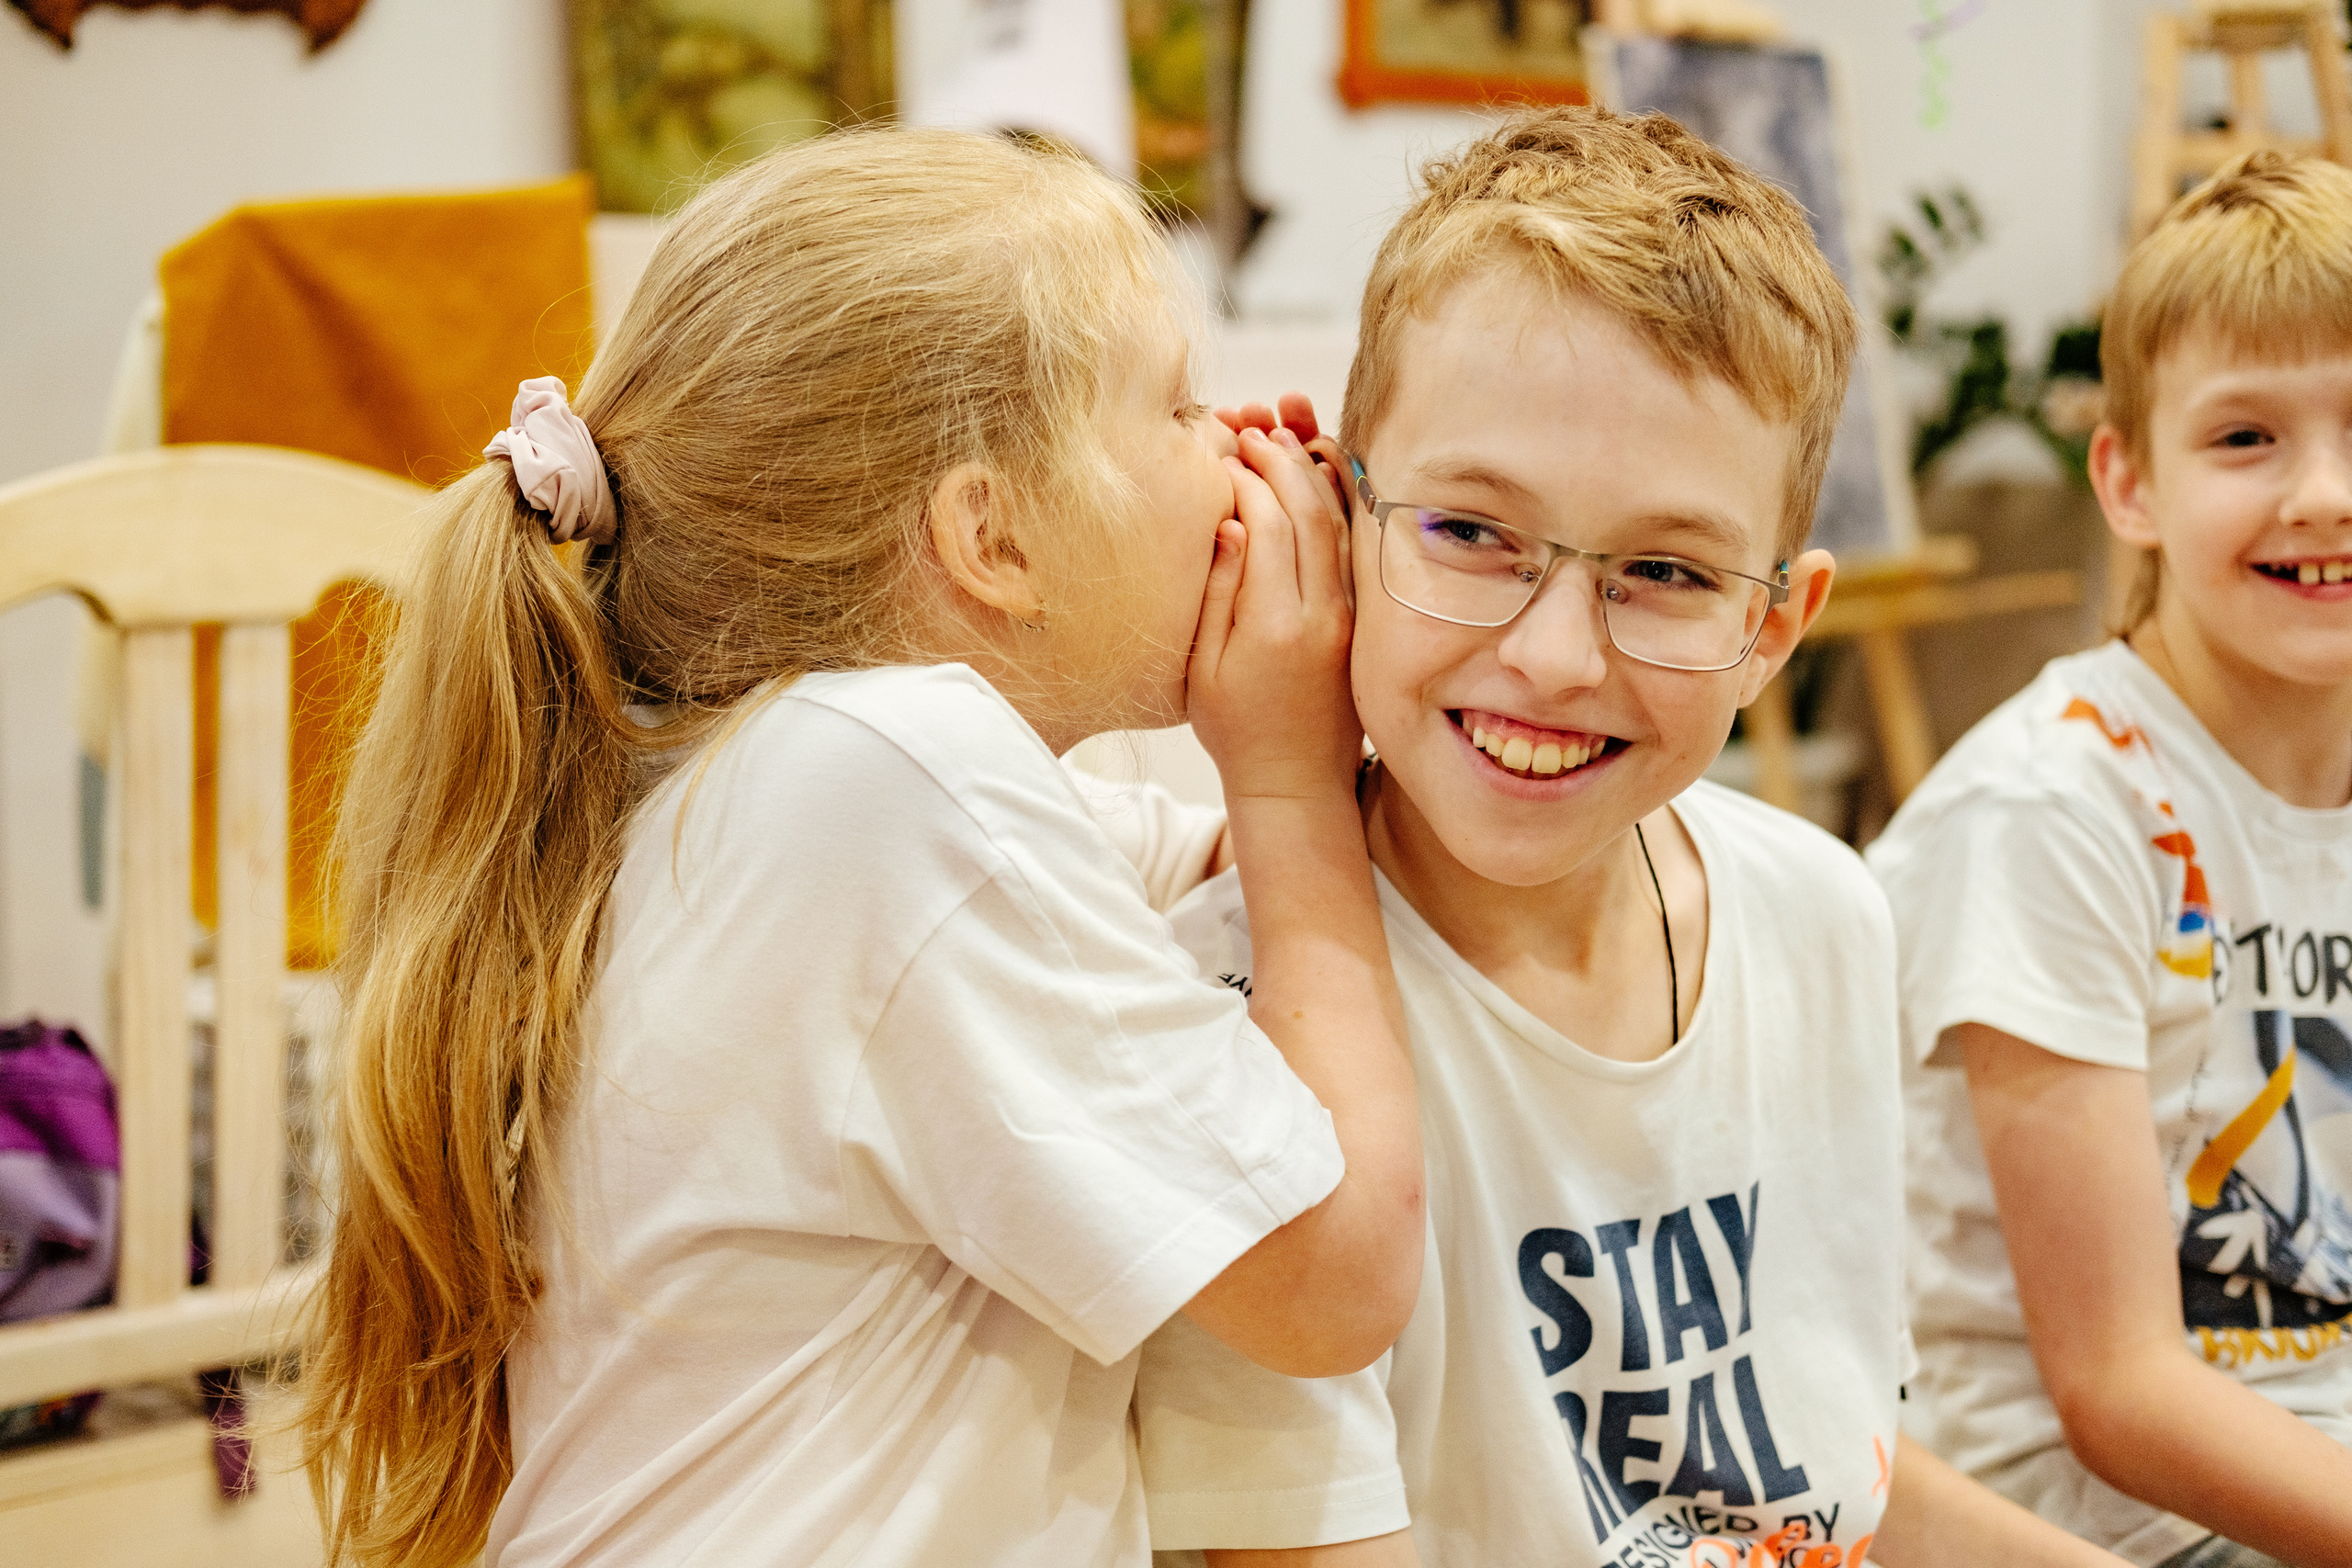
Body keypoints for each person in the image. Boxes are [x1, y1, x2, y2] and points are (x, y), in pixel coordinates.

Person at [294, 128, 1426, 1568]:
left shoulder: (756, 770)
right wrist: (1288, 780)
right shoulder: (894, 788)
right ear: (993, 537)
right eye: (1181, 406)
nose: (1247, 443)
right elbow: (1334, 1278)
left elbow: (1212, 875)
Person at [1127, 107, 2128, 1568]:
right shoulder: (1226, 1031)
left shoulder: (1821, 912)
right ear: (1343, 520)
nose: (1551, 658)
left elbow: (1819, 1477)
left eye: (1663, 572)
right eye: (1471, 533)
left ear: (1772, 626)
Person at [1868, 151, 2352, 1567]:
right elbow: (2121, 1394)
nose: (2323, 494)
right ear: (2128, 480)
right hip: (2106, 1522)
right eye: (2246, 439)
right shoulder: (2053, 811)